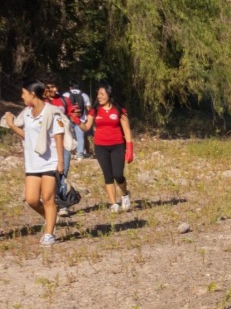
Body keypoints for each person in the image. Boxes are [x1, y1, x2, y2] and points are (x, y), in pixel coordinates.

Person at [4, 81, 66, 246]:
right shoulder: (27, 113)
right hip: (32, 163)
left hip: (49, 162)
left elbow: (59, 136)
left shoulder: (52, 112)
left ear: (33, 94)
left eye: (24, 93)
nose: (22, 96)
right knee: (31, 199)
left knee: (48, 198)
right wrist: (11, 125)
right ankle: (50, 216)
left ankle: (49, 234)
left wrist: (60, 161)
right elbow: (27, 136)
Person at [81, 84, 134, 212]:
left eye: (102, 94)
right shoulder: (95, 110)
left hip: (117, 145)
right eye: (98, 94)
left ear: (109, 95)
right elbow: (87, 127)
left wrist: (130, 149)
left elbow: (126, 130)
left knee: (118, 174)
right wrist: (76, 119)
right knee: (108, 175)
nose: (99, 97)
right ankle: (113, 203)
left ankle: (125, 194)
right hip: (100, 146)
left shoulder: (119, 110)